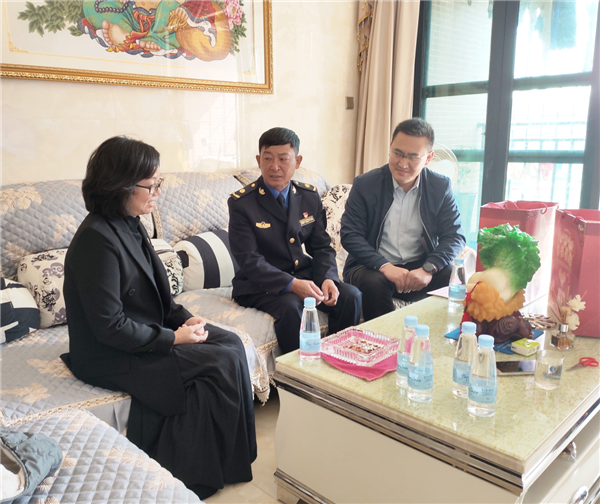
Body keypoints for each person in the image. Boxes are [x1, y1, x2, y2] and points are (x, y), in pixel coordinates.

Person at [63, 136, 256, 499]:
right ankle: (193, 476)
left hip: (142, 332)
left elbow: (156, 294)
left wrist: (187, 319)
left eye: (158, 183)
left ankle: (231, 460)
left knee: (230, 342)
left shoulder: (132, 222)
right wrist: (173, 338)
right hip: (109, 353)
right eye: (151, 185)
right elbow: (109, 327)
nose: (158, 193)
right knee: (217, 361)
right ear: (121, 185)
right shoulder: (96, 241)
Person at [228, 127, 362, 354]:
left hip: (302, 274)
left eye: (283, 159)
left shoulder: (308, 196)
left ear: (297, 162)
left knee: (351, 296)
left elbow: (321, 247)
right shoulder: (242, 203)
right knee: (292, 306)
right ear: (259, 161)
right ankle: (297, 372)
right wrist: (291, 284)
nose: (275, 166)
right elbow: (249, 260)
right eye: (268, 159)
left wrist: (328, 278)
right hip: (258, 284)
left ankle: (341, 359)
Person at [341, 118, 465, 321]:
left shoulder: (440, 187)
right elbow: (350, 234)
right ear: (390, 147)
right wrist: (384, 266)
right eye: (397, 153)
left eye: (413, 157)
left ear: (428, 158)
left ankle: (435, 337)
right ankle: (383, 339)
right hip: (372, 267)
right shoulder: (365, 184)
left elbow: (455, 236)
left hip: (418, 268)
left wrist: (428, 268)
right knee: (374, 283)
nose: (403, 163)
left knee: (450, 275)